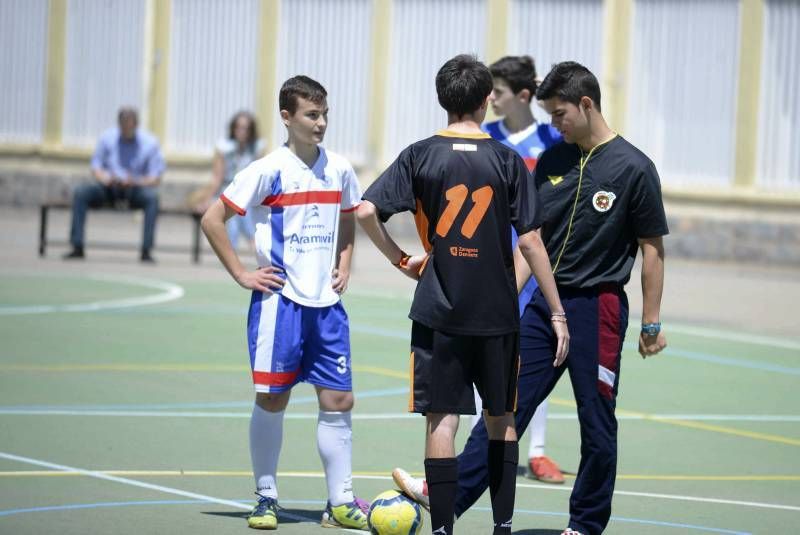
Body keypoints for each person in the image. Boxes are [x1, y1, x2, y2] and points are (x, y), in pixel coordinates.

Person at [392, 61, 669, 535]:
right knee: (505, 411)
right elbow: (531, 240)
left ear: (586, 104)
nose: (554, 125)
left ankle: (584, 524)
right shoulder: (554, 161)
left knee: (596, 419)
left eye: (559, 114)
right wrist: (506, 297)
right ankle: (450, 501)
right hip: (545, 306)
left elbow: (652, 249)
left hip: (598, 308)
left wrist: (651, 322)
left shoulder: (634, 167)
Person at [357, 54, 569, 535]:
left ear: (442, 99)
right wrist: (555, 311)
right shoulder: (506, 158)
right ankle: (502, 527)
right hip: (497, 310)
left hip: (439, 307)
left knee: (441, 422)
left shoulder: (420, 154)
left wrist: (400, 258)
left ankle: (443, 530)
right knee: (502, 419)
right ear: (484, 99)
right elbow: (532, 242)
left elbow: (366, 210)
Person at [201, 76, 370, 531]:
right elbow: (212, 219)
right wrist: (241, 273)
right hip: (280, 305)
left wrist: (345, 261)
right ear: (287, 117)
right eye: (312, 115)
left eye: (325, 115)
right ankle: (266, 497)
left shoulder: (339, 169)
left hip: (327, 306)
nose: (321, 123)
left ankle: (340, 501)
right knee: (272, 399)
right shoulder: (267, 169)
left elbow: (350, 215)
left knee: (339, 399)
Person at [478, 55, 565, 484]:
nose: (490, 98)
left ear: (524, 96)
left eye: (498, 92)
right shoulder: (484, 137)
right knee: (487, 354)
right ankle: (490, 442)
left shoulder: (552, 140)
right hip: (488, 261)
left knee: (531, 354)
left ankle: (538, 450)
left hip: (536, 260)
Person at [63, 107, 165, 263]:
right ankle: (77, 246)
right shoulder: (107, 138)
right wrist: (106, 178)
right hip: (109, 188)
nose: (126, 129)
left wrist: (135, 181)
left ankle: (146, 250)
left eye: (129, 126)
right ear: (119, 124)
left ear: (136, 125)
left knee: (152, 198)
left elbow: (155, 177)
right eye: (123, 126)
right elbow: (96, 167)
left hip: (134, 188)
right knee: (81, 192)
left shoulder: (150, 143)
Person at [194, 111, 266, 250]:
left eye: (245, 128)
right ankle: (252, 242)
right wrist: (206, 199)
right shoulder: (224, 148)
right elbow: (217, 177)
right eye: (238, 127)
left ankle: (235, 249)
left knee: (241, 208)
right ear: (233, 128)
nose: (241, 131)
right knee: (235, 208)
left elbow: (261, 175)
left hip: (249, 191)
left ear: (251, 130)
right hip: (228, 189)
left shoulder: (257, 147)